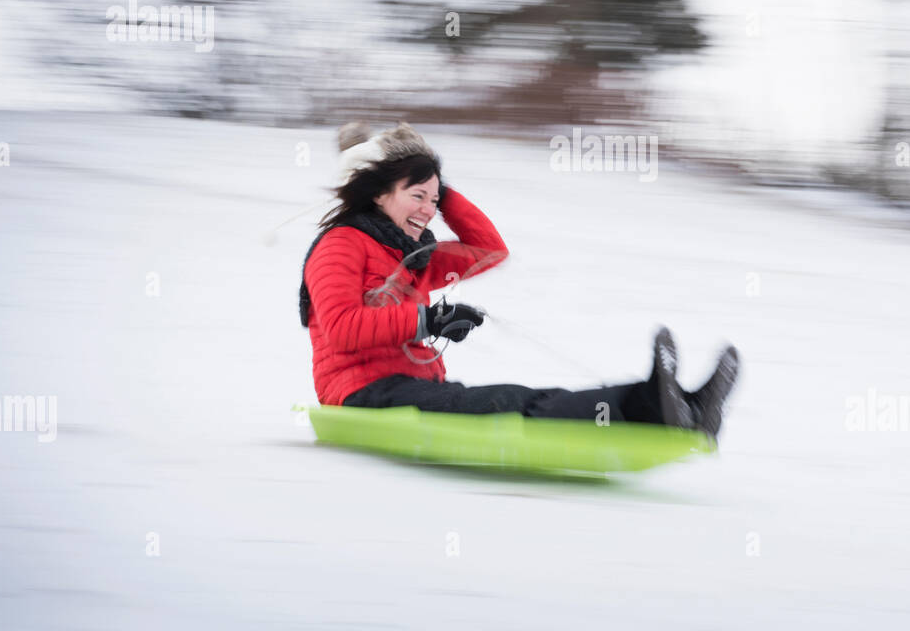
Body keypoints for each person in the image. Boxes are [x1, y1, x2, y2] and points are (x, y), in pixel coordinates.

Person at [299, 122, 739, 439]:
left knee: (517, 397)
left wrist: (437, 185)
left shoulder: (413, 256)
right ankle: (656, 406)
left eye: (434, 200)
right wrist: (427, 320)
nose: (428, 210)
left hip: (412, 388)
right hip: (362, 394)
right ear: (378, 194)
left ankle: (681, 404)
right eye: (417, 196)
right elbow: (341, 327)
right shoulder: (341, 244)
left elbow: (489, 251)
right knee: (508, 401)